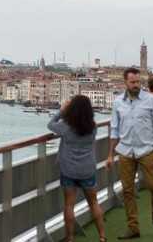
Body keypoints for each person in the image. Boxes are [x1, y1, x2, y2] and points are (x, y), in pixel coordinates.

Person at [107, 68, 153, 239]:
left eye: (138, 82)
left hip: (147, 150)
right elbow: (114, 130)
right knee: (127, 190)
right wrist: (110, 155)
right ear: (125, 82)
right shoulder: (118, 102)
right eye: (132, 82)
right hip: (125, 151)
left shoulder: (151, 100)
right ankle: (133, 227)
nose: (136, 85)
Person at [48, 95, 106, 242]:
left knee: (69, 205)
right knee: (94, 203)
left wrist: (62, 111)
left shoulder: (66, 127)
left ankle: (70, 237)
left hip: (69, 170)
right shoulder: (93, 127)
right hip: (87, 169)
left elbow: (51, 124)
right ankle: (102, 236)